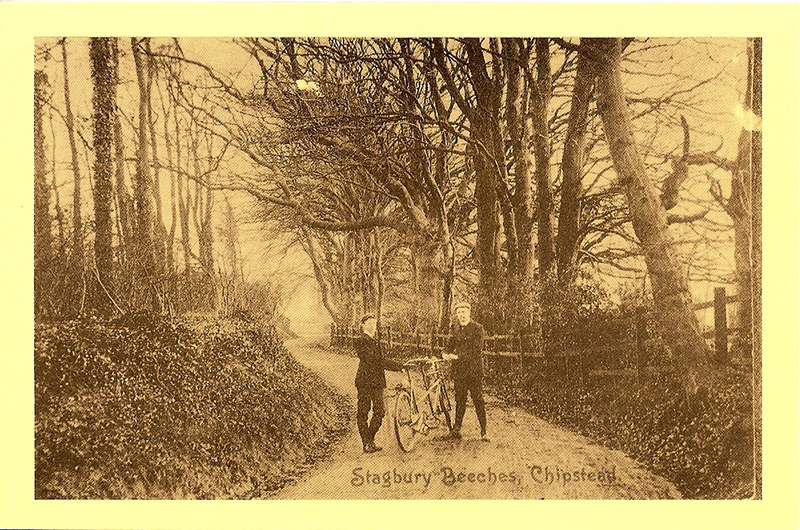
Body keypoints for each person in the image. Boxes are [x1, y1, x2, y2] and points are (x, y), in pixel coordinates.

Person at [354, 314, 405, 453]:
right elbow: (376, 361)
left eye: (374, 324)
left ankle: (369, 440)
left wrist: (399, 366)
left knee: (380, 411)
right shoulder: (360, 341)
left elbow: (381, 360)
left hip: (377, 382)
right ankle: (367, 443)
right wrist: (398, 366)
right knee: (363, 412)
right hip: (364, 381)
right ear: (362, 325)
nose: (372, 326)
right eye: (369, 323)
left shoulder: (375, 342)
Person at [444, 301, 489, 442]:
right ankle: (457, 428)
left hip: (473, 371)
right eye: (459, 313)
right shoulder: (455, 329)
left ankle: (483, 431)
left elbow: (476, 351)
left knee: (478, 400)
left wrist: (457, 357)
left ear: (469, 312)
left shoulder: (477, 329)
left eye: (463, 312)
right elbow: (449, 346)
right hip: (459, 372)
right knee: (460, 400)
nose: (461, 315)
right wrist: (445, 353)